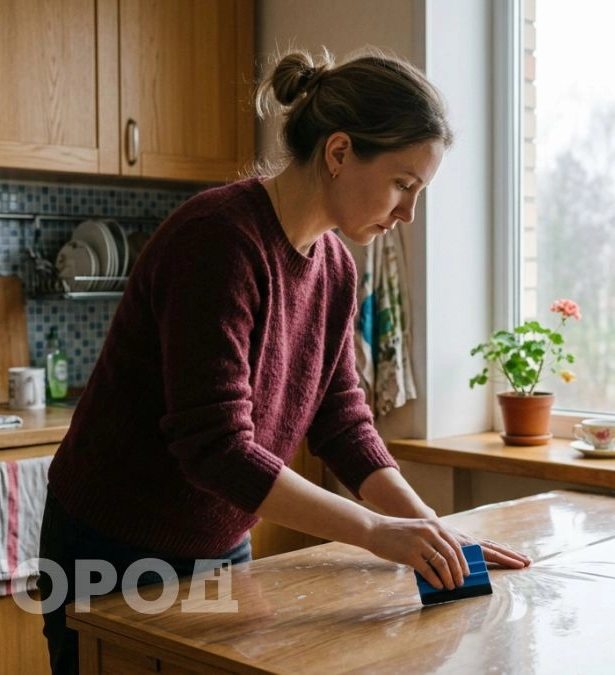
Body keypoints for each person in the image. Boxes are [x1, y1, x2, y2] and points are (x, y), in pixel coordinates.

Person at [37, 47, 532, 674]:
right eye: (404, 185)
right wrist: (377, 533)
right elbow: (216, 447)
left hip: (220, 545)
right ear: (339, 152)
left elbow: (342, 423)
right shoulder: (217, 241)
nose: (408, 213)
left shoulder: (335, 270)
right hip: (112, 547)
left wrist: (432, 529)